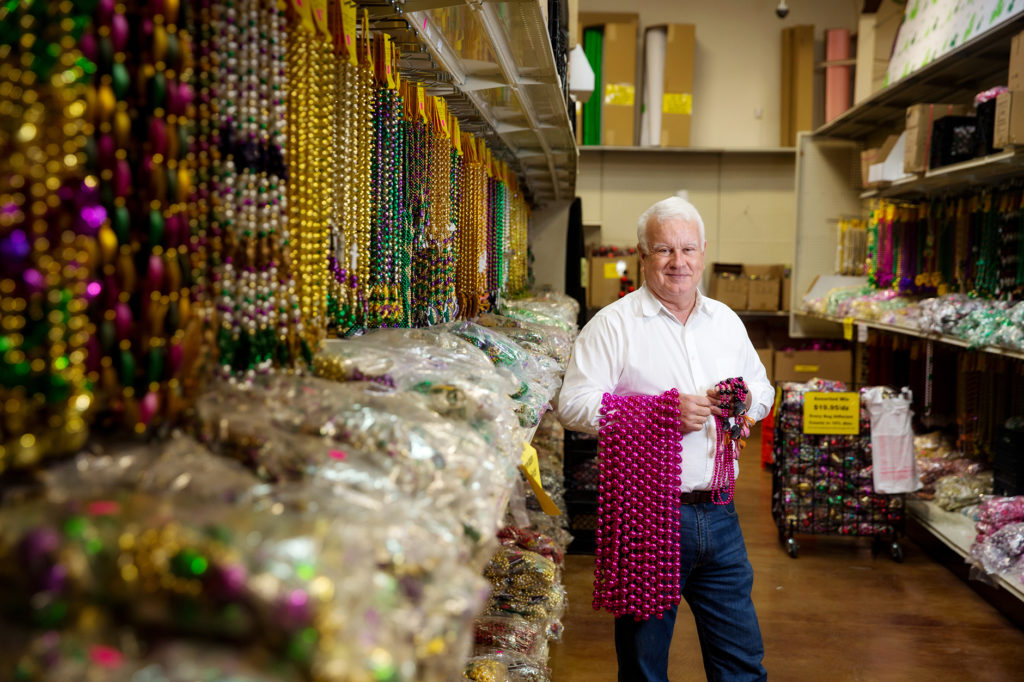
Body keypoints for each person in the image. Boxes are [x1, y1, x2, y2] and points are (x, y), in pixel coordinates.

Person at [557, 196, 771, 681]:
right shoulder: (614, 325)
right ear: (642, 255)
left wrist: (743, 406)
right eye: (664, 250)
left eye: (689, 249)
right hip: (647, 515)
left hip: (720, 516)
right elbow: (571, 404)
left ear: (704, 252)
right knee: (644, 667)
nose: (679, 263)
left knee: (741, 661)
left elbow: (762, 388)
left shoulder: (725, 323)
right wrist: (659, 414)